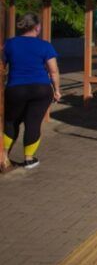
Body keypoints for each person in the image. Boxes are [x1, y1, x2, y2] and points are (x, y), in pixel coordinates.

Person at [2, 14, 62, 171]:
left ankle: (3, 156)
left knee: (10, 122)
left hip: (16, 88)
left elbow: (2, 67)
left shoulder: (9, 44)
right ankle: (29, 159)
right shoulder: (45, 45)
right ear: (37, 27)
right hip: (41, 89)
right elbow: (53, 71)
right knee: (33, 123)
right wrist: (57, 91)